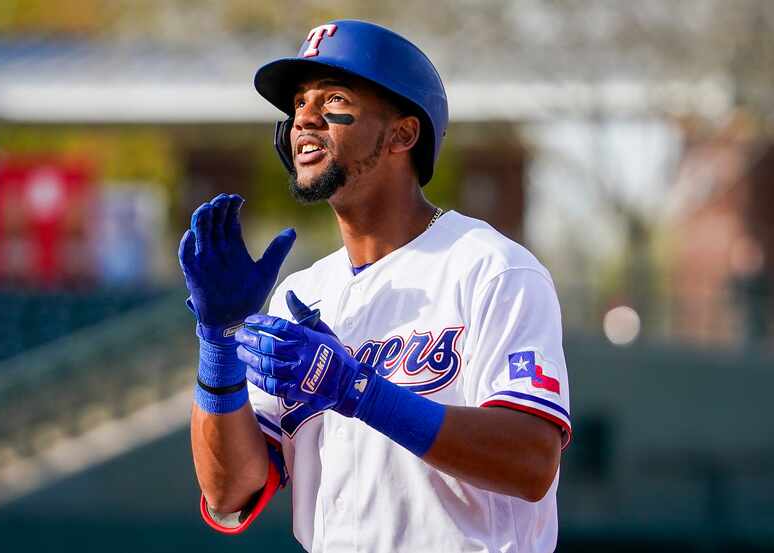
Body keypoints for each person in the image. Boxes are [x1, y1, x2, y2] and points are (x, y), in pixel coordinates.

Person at [179, 19, 571, 553]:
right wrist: (217, 344)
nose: (304, 120)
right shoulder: (304, 292)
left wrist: (357, 390)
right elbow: (229, 493)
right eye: (298, 104)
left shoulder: (491, 268)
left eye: (334, 98)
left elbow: (531, 462)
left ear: (402, 134)